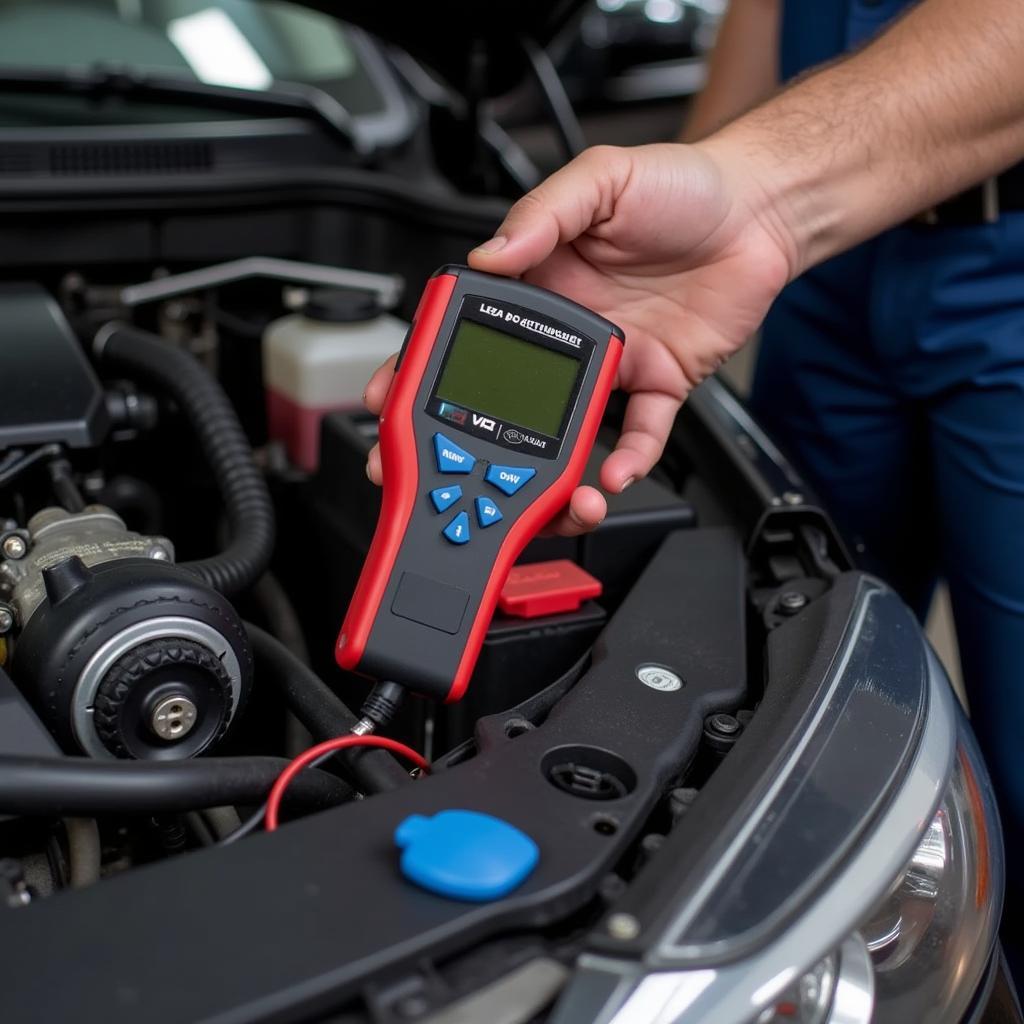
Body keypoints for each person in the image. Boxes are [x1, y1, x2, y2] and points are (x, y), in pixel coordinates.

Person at [365, 0, 1024, 933]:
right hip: (822, 261)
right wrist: (685, 213)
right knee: (807, 696)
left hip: (994, 259)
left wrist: (746, 184)